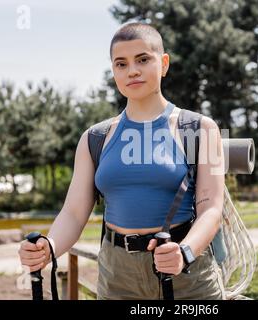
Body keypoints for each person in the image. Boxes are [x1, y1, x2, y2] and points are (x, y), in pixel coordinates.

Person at [18, 22, 226, 300]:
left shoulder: (200, 129)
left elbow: (211, 208)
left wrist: (184, 253)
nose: (133, 71)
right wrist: (50, 246)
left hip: (185, 274)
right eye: (121, 64)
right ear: (114, 72)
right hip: (117, 276)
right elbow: (74, 213)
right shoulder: (95, 138)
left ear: (163, 64)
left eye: (143, 59)